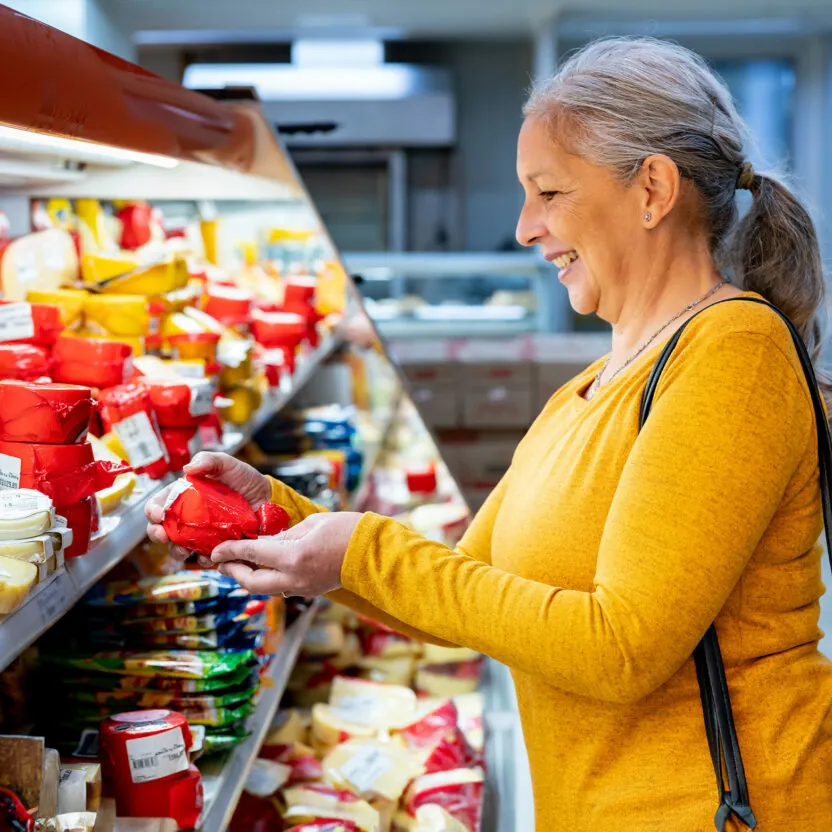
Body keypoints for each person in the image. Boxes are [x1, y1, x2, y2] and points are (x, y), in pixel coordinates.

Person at [147, 37, 832, 831]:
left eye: (548, 192)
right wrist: (285, 521)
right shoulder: (588, 392)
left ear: (652, 189)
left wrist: (358, 549)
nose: (524, 228)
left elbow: (621, 647)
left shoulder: (732, 353)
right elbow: (458, 589)